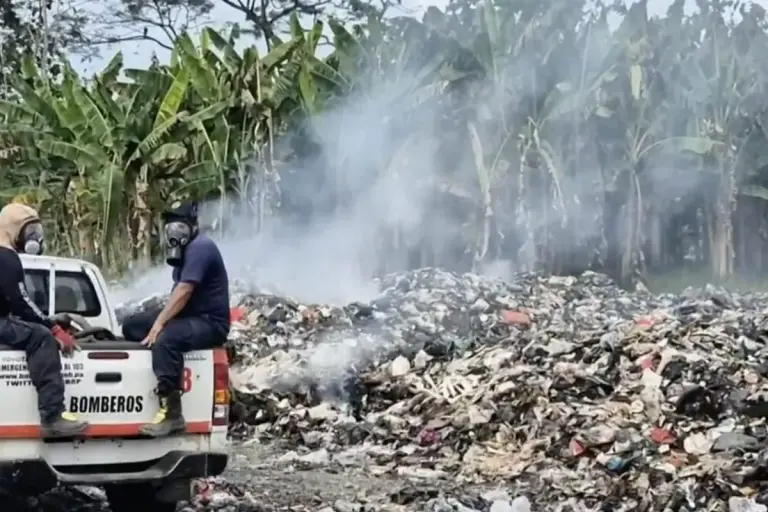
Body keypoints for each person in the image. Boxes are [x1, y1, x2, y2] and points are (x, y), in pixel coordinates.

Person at [121, 202, 230, 437]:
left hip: (210, 322)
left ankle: (172, 414)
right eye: (170, 226)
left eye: (179, 225)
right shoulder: (184, 252)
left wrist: (160, 323)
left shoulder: (201, 247)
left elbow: (184, 291)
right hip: (190, 316)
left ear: (192, 226)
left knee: (167, 339)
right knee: (132, 325)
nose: (173, 231)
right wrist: (155, 320)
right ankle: (160, 365)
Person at [0, 203, 89, 438]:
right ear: (13, 231)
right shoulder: (6, 257)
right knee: (40, 337)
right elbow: (21, 301)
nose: (35, 238)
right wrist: (53, 329)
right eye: (30, 232)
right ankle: (52, 415)